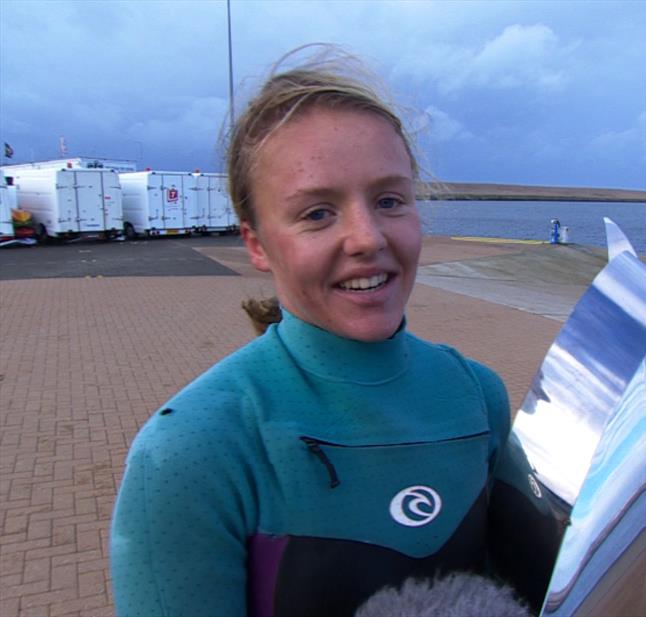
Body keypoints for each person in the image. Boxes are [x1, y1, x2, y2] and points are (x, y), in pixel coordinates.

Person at [110, 46, 512, 617]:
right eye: (318, 213)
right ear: (256, 243)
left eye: (389, 200)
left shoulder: (479, 395)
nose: (368, 237)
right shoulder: (192, 449)